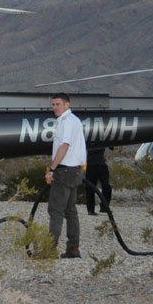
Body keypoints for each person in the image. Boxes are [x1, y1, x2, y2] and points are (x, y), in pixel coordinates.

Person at [45, 93, 87, 258]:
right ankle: (73, 248)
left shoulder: (66, 122)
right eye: (53, 104)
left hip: (65, 170)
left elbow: (65, 145)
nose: (55, 107)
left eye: (58, 104)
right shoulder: (75, 120)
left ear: (67, 105)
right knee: (70, 210)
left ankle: (49, 250)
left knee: (56, 210)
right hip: (76, 170)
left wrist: (52, 169)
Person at [85, 147, 112, 215]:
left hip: (101, 164)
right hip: (90, 165)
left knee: (107, 186)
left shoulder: (102, 137)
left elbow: (111, 147)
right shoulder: (89, 138)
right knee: (90, 188)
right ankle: (90, 209)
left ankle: (104, 207)